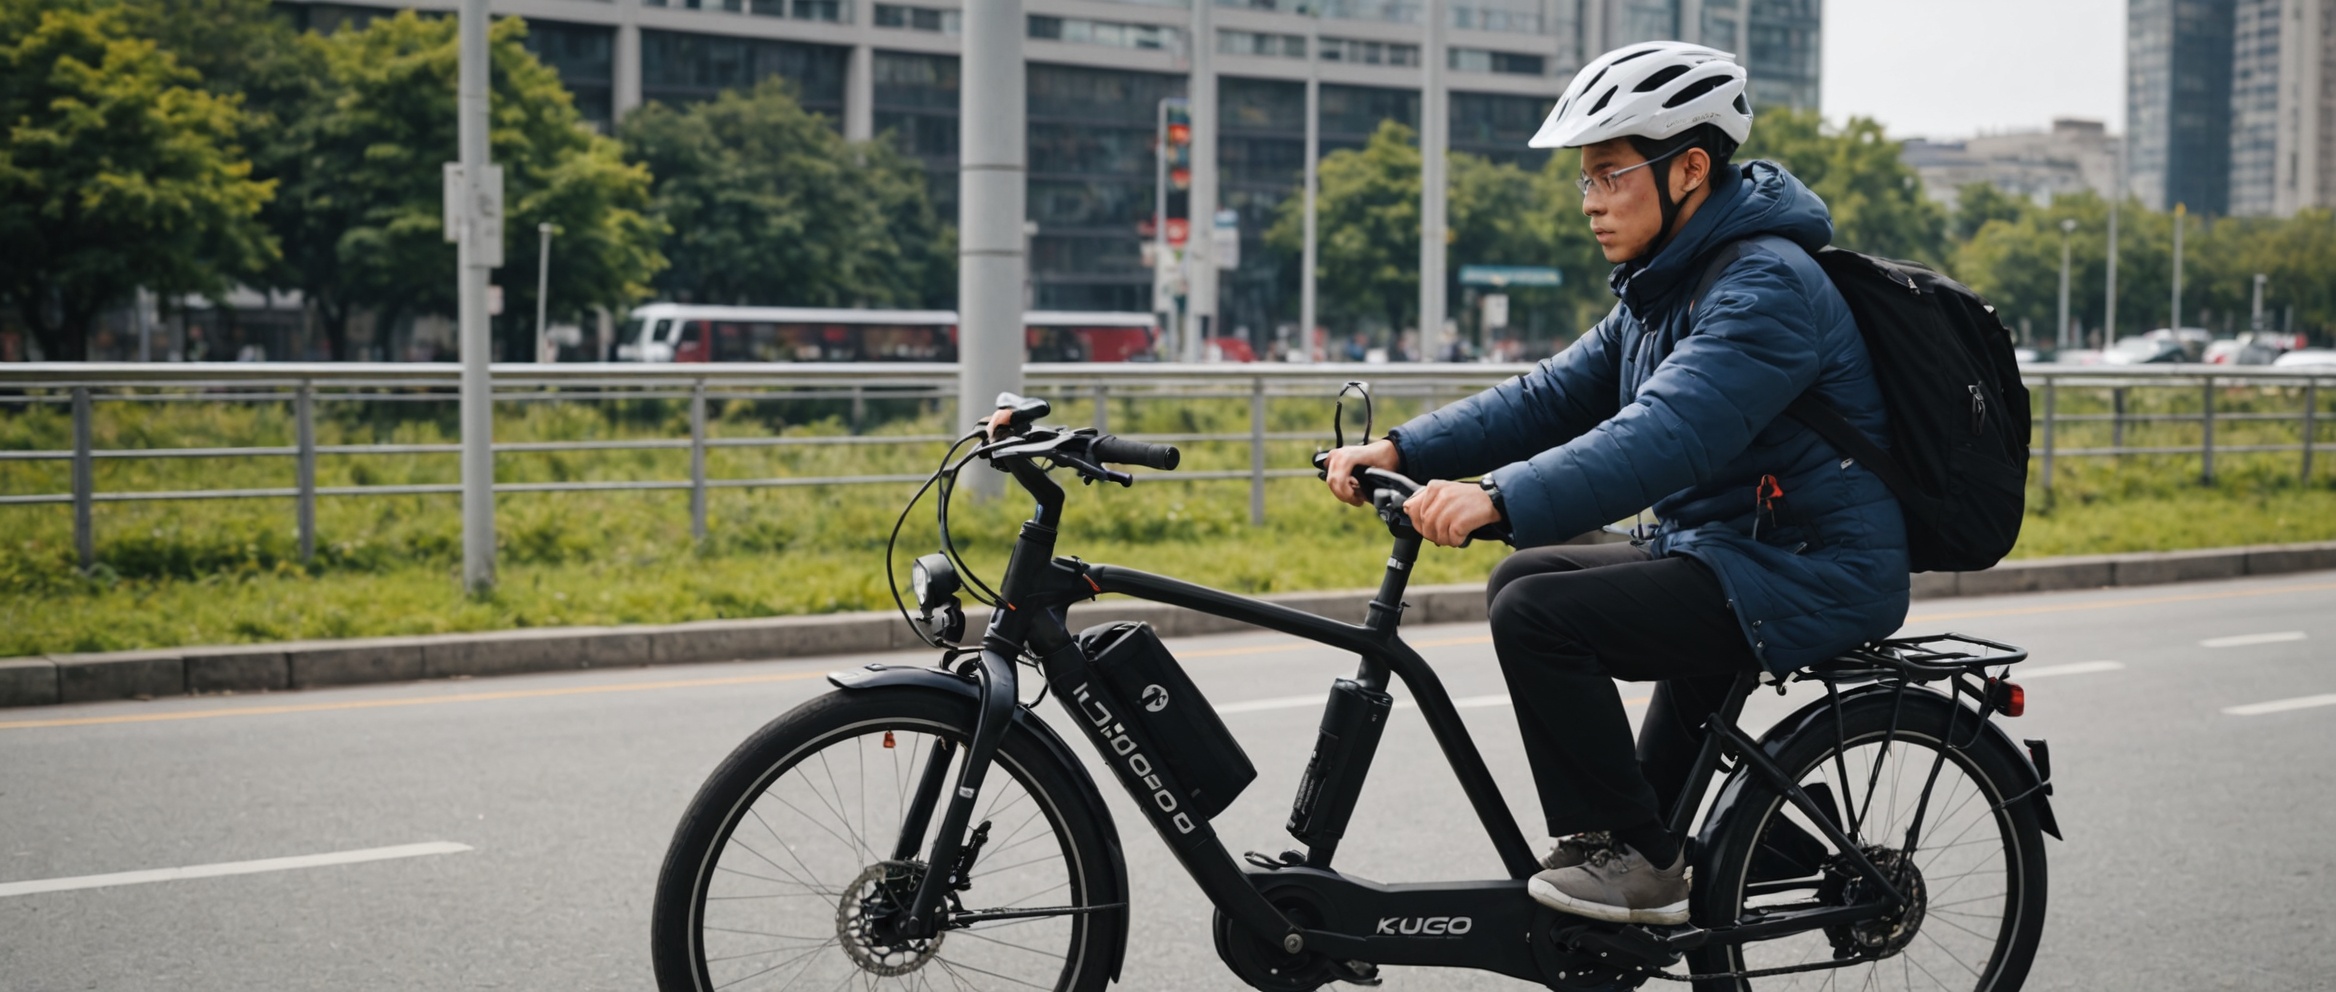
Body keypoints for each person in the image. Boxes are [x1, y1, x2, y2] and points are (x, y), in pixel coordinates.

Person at [1321, 42, 1909, 926]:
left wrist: (1501, 497)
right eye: (1585, 180)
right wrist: (1407, 450)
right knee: (1526, 579)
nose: (1591, 200)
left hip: (1812, 565)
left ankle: (1635, 863)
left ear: (1690, 170)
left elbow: (1665, 435)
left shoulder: (1765, 287)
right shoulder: (1661, 287)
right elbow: (1551, 394)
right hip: (1729, 552)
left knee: (1539, 615)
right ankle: (1654, 848)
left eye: (1609, 175)